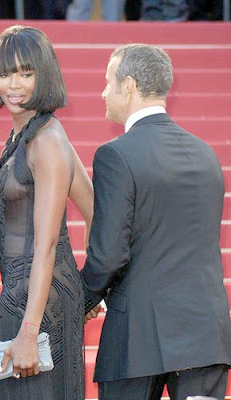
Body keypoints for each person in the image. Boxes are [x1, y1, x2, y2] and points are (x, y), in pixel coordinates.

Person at [81, 44, 231, 400]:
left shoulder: (116, 154)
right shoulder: (205, 154)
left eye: (107, 83)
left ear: (128, 85)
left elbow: (108, 256)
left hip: (139, 337)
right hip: (207, 335)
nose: (103, 92)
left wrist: (79, 300)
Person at [0, 25, 93, 400]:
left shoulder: (47, 141)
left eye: (25, 73)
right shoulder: (34, 134)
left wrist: (30, 329)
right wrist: (85, 291)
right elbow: (95, 208)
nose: (13, 85)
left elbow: (47, 244)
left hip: (36, 305)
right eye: (4, 74)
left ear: (44, 74)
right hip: (30, 293)